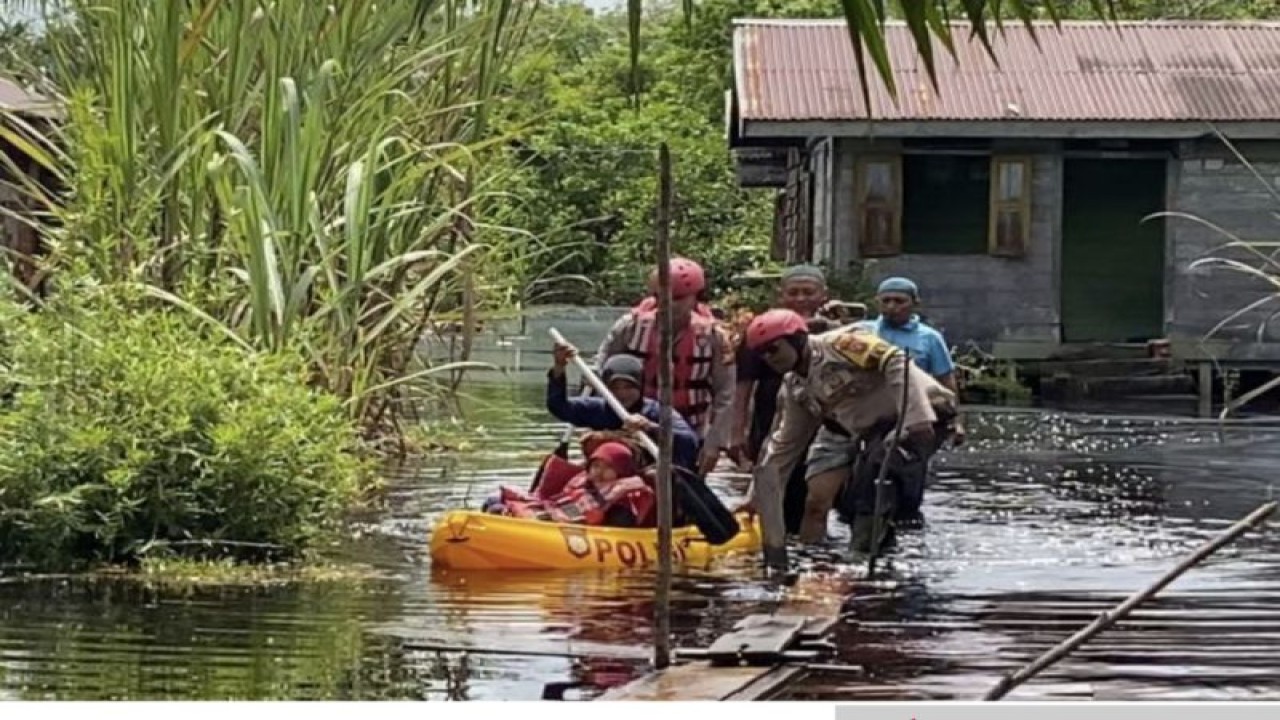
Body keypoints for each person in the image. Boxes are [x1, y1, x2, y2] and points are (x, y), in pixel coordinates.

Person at [738, 309, 956, 567]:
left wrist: (916, 416)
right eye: (760, 353)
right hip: (861, 431)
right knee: (816, 502)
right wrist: (757, 497)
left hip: (922, 413)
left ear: (796, 339)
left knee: (873, 485)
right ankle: (814, 560)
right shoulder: (795, 387)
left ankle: (863, 560)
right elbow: (786, 444)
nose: (768, 358)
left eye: (773, 349)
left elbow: (895, 360)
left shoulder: (842, 343)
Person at [593, 257, 735, 475]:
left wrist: (714, 443)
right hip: (631, 427)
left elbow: (726, 394)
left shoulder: (714, 337)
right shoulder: (630, 327)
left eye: (678, 298)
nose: (669, 305)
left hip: (688, 431)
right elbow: (599, 371)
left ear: (695, 298)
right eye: (661, 297)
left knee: (681, 489)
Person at [729, 265, 843, 533]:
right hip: (771, 422)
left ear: (823, 295)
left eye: (808, 292)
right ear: (781, 295)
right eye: (793, 293)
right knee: (776, 486)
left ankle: (813, 550)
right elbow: (743, 384)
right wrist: (737, 432)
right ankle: (775, 546)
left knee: (818, 495)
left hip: (825, 425)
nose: (801, 299)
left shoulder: (836, 334)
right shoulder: (762, 331)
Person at [547, 345, 701, 478]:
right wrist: (560, 366)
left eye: (629, 387)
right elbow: (558, 407)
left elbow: (689, 442)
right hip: (603, 479)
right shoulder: (597, 409)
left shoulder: (655, 411)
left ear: (640, 387)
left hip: (645, 481)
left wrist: (650, 427)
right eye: (615, 388)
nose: (622, 394)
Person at [861, 276, 965, 445]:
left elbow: (946, 381)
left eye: (899, 301)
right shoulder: (863, 332)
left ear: (915, 303)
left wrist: (957, 422)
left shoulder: (930, 338)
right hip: (871, 414)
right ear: (877, 302)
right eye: (885, 301)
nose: (892, 307)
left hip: (915, 415)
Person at [484, 441, 654, 528]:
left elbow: (616, 528)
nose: (599, 472)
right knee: (494, 503)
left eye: (608, 468)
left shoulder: (623, 504)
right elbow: (561, 504)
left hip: (588, 533)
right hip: (558, 518)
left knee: (497, 509)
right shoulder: (582, 482)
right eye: (596, 466)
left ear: (621, 471)